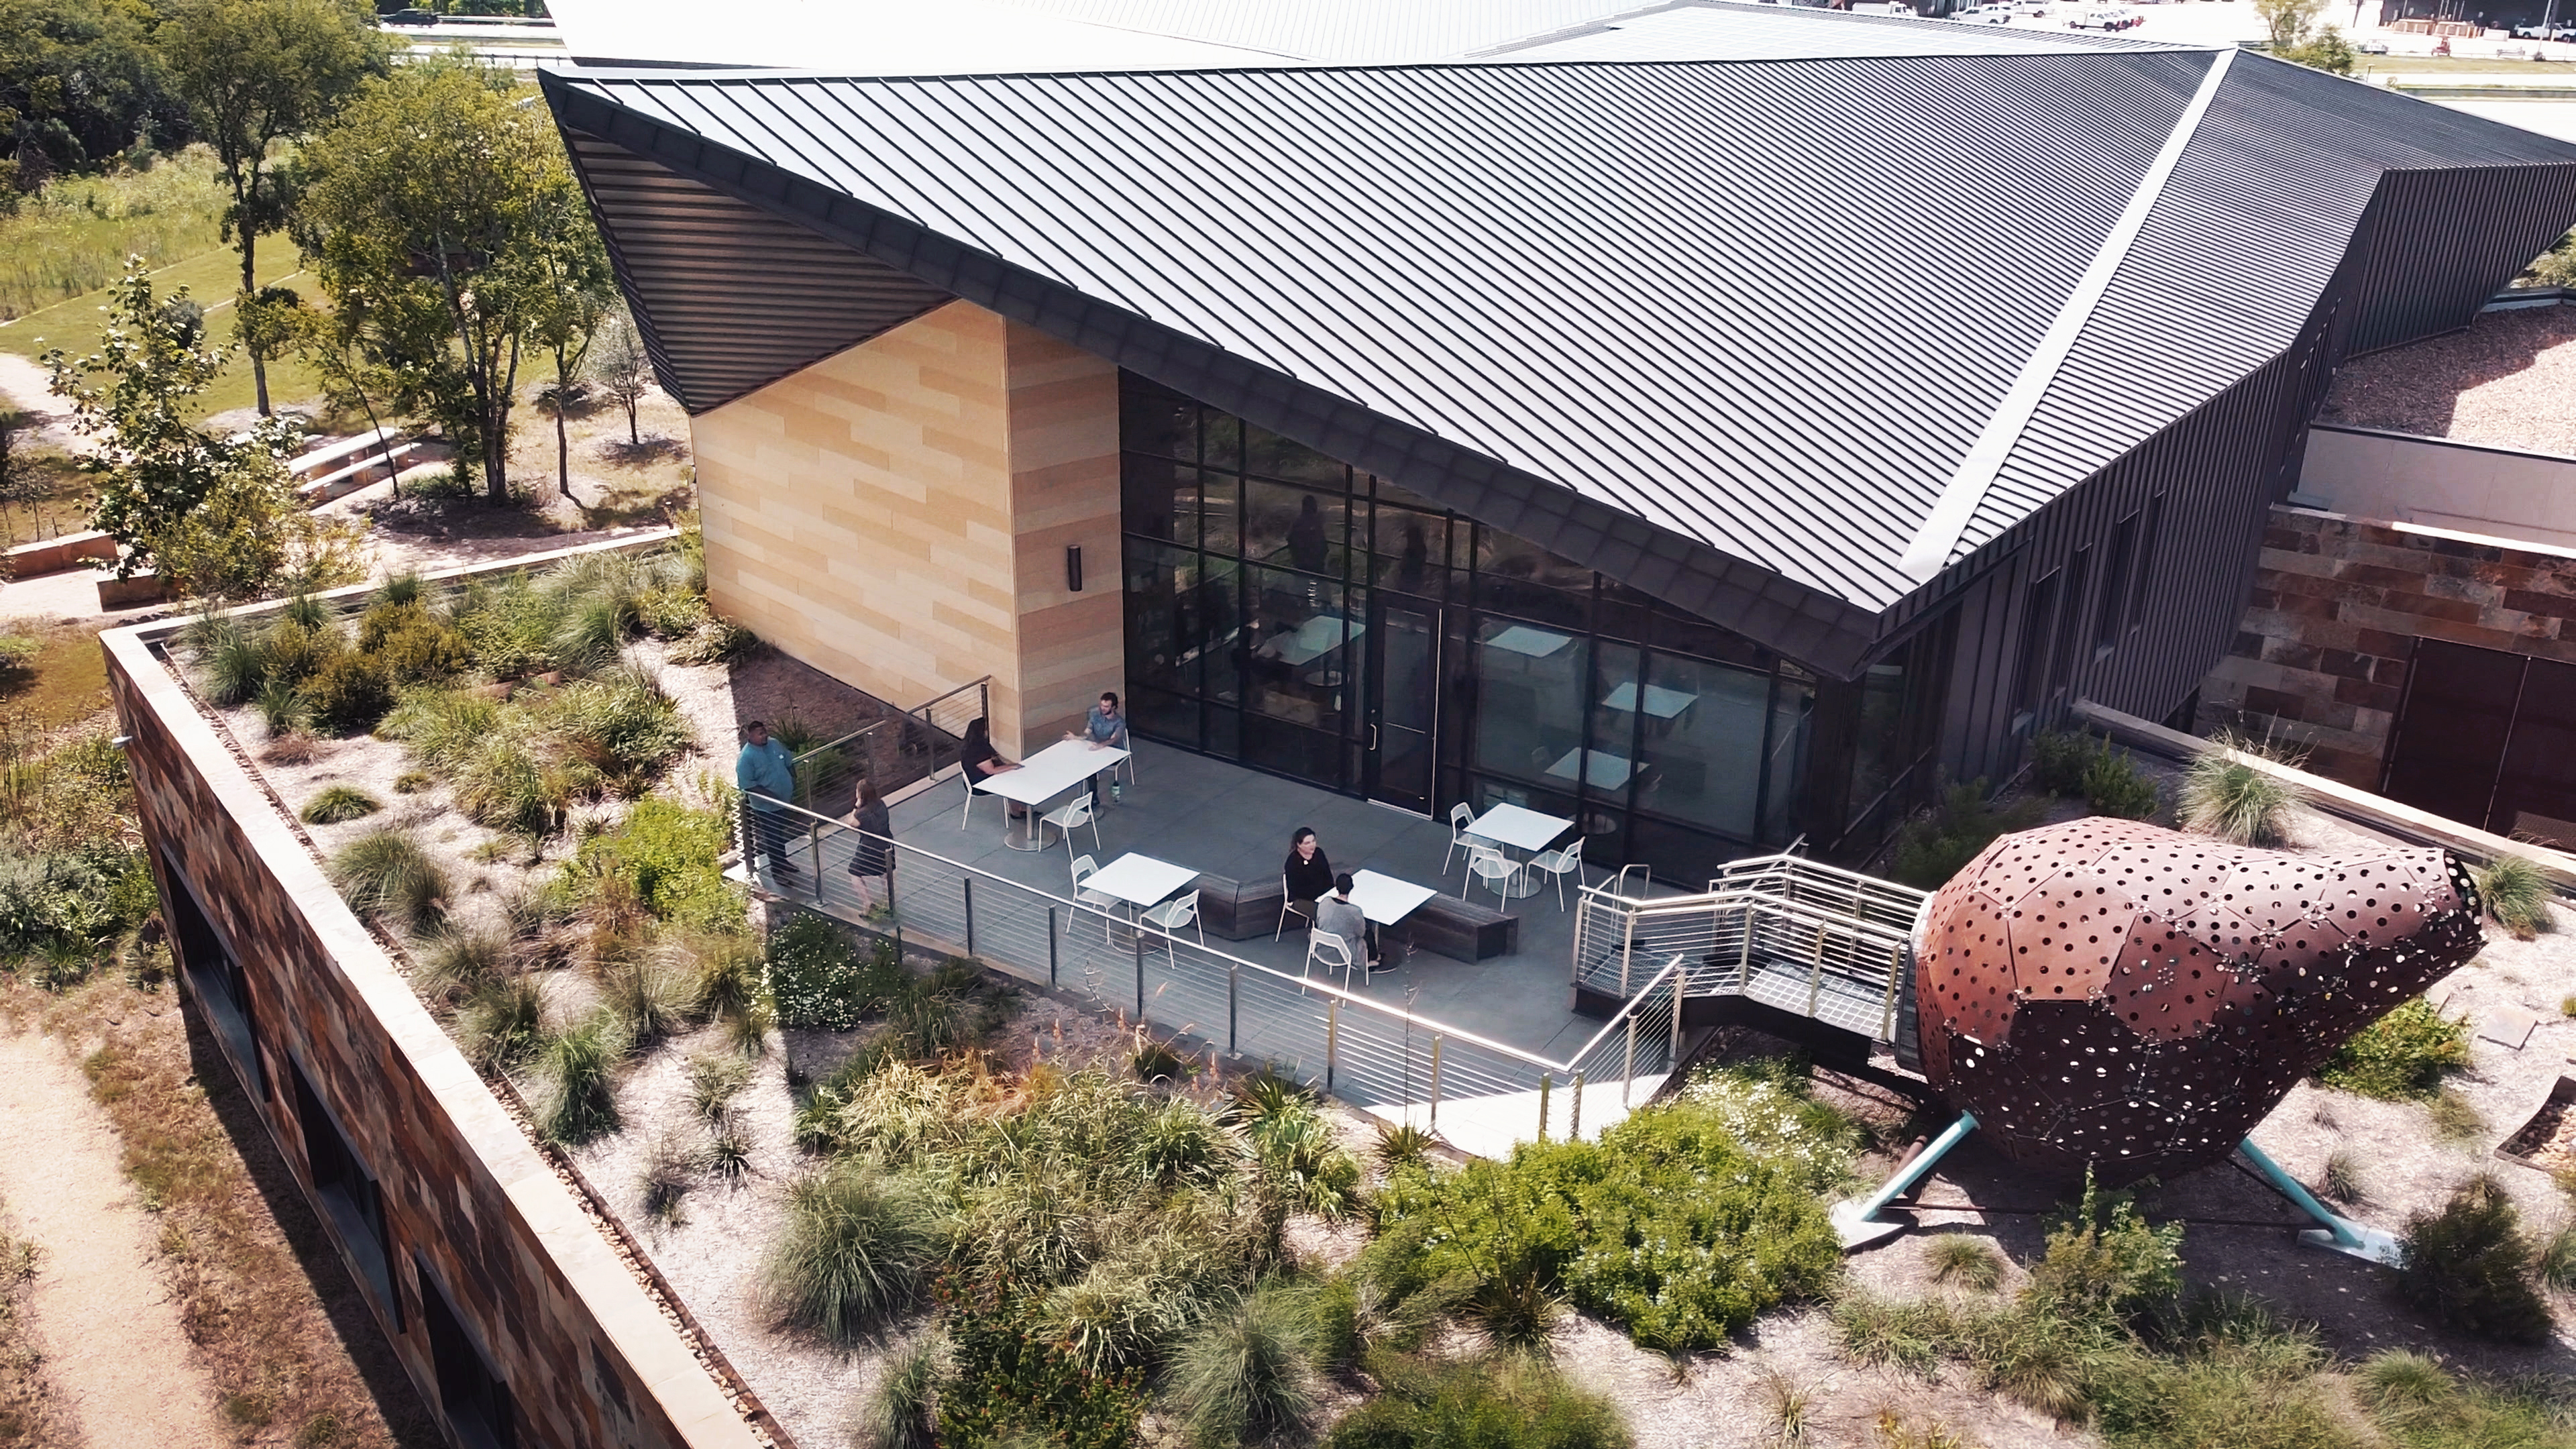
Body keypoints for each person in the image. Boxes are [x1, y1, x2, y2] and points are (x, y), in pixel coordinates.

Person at [735, 720, 799, 877]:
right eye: (760, 734)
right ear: (750, 736)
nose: (765, 736)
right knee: (772, 837)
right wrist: (771, 797)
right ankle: (777, 871)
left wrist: (793, 779)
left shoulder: (774, 744)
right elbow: (748, 785)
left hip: (783, 802)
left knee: (780, 834)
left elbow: (788, 761)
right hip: (765, 808)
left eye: (765, 732)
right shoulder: (746, 759)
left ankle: (783, 862)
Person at [1066, 691, 1130, 805]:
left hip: (1114, 752)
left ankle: (1093, 798)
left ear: (1114, 707)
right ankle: (1090, 796)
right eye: (1102, 705)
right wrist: (1075, 737)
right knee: (1086, 765)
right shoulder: (1095, 717)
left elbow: (1114, 739)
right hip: (1098, 750)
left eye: (1106, 706)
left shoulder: (1119, 722)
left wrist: (1101, 746)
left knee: (1091, 767)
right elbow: (1086, 733)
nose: (1103, 708)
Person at [959, 716, 1027, 820]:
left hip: (970, 780)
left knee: (1011, 776)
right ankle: (1016, 811)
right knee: (1014, 783)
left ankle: (1019, 809)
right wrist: (1012, 766)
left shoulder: (968, 745)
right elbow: (991, 770)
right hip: (979, 785)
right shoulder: (978, 750)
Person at [1313, 871, 1381, 971]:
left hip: (1322, 947)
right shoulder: (1354, 911)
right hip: (1345, 953)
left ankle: (1373, 956)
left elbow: (1319, 921)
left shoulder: (1324, 902)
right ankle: (1370, 959)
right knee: (1367, 930)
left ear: (1336, 887)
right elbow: (1361, 933)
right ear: (1351, 888)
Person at [847, 775, 894, 917]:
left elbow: (851, 823)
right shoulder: (882, 805)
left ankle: (868, 904)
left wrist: (856, 805)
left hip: (869, 848)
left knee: (854, 873)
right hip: (887, 844)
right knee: (885, 873)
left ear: (860, 794)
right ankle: (888, 903)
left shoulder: (862, 814)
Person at [1281, 826, 1334, 934]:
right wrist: (1319, 897)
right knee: (1324, 912)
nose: (1312, 845)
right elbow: (1296, 889)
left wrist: (1330, 893)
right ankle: (1323, 937)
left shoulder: (1319, 853)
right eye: (1307, 843)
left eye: (1313, 841)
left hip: (1322, 894)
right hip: (1300, 899)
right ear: (1299, 845)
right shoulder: (1293, 863)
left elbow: (1328, 876)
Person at [1287, 493, 1329, 574]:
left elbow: (1290, 538)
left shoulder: (1300, 522)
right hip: (1310, 564)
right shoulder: (1312, 522)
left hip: (1303, 563)